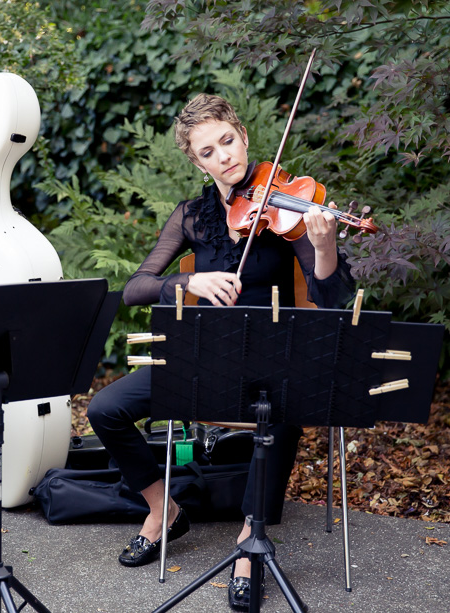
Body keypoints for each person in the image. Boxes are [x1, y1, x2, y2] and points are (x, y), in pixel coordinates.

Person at [86, 93, 354, 612]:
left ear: (244, 136)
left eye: (227, 141)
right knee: (105, 409)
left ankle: (250, 546)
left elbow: (332, 298)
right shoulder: (194, 217)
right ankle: (163, 510)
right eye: (208, 151)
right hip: (204, 357)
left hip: (271, 358)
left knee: (277, 413)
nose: (224, 156)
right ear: (196, 160)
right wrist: (189, 282)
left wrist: (324, 247)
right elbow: (137, 287)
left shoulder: (287, 206)